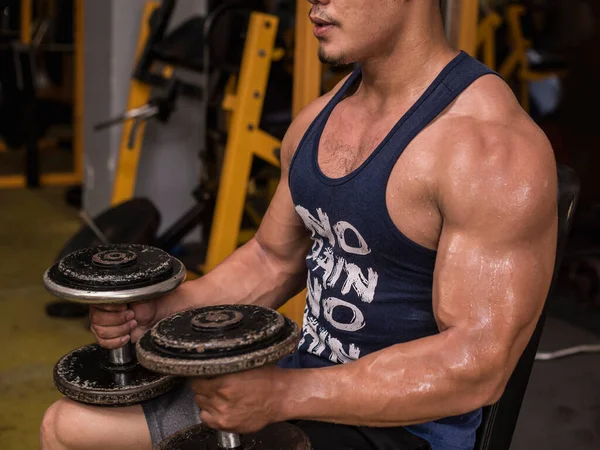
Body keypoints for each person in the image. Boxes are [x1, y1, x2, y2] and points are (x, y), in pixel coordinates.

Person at [40, 0, 558, 449]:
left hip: (401, 431)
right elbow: (273, 258)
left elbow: (477, 363)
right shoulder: (319, 120)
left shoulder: (490, 149)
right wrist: (163, 314)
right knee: (69, 426)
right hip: (300, 387)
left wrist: (283, 395)